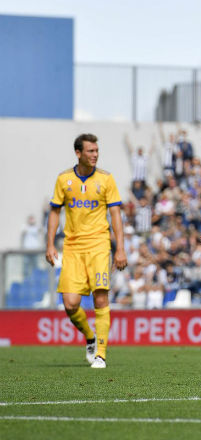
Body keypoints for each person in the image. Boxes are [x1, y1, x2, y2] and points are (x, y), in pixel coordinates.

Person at [45, 133, 127, 369]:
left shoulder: (106, 179)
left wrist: (120, 248)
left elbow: (115, 215)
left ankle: (101, 354)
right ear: (78, 153)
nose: (95, 155)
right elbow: (54, 212)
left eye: (97, 151)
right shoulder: (63, 179)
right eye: (90, 151)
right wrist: (50, 244)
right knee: (70, 304)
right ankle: (90, 338)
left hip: (99, 245)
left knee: (100, 297)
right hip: (72, 247)